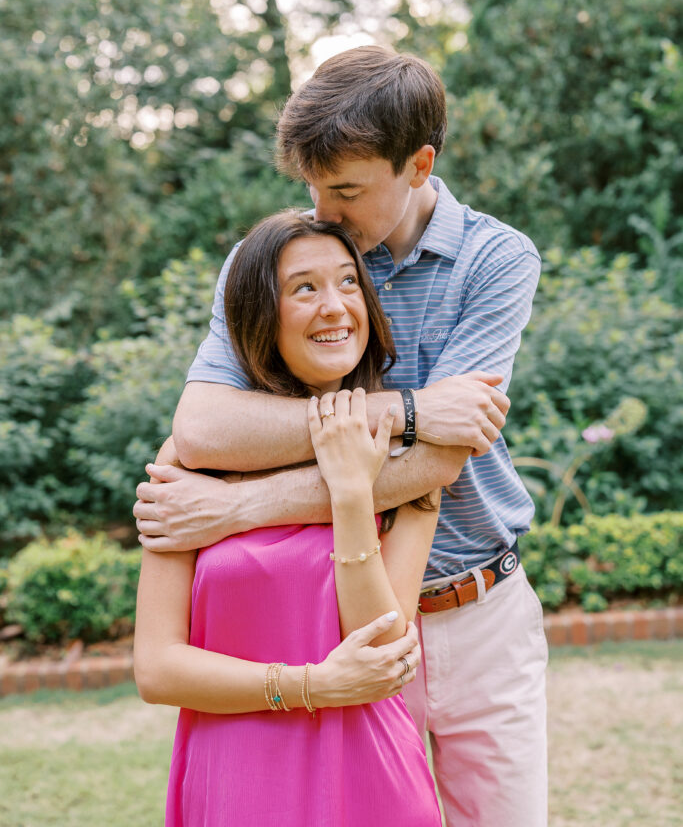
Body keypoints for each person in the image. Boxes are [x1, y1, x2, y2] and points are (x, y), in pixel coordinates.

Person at [134, 45, 548, 827]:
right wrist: (412, 409)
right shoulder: (273, 262)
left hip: (475, 608)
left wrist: (238, 508)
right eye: (313, 186)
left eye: (346, 190)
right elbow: (202, 429)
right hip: (329, 624)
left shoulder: (493, 260)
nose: (323, 211)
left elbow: (435, 467)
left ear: (418, 165)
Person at [134, 212, 443, 827]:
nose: (335, 306)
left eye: (349, 282)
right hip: (236, 773)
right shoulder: (193, 461)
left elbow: (383, 647)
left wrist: (352, 492)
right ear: (259, 314)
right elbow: (157, 668)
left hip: (369, 774)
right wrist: (309, 686)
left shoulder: (407, 461)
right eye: (304, 288)